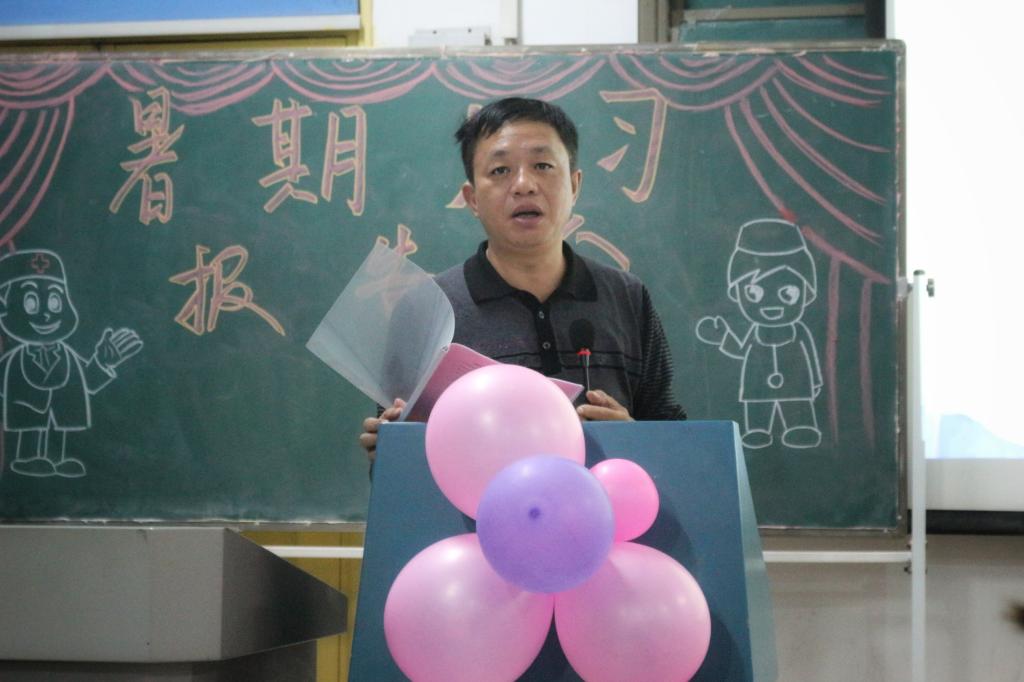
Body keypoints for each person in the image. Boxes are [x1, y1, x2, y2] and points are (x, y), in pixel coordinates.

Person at [361, 97, 684, 459]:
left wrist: (634, 437)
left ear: (574, 185)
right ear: (472, 199)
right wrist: (389, 450)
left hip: (604, 497)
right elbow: (394, 456)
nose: (524, 185)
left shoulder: (627, 297)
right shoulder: (425, 310)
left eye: (542, 165)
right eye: (500, 170)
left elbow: (672, 436)